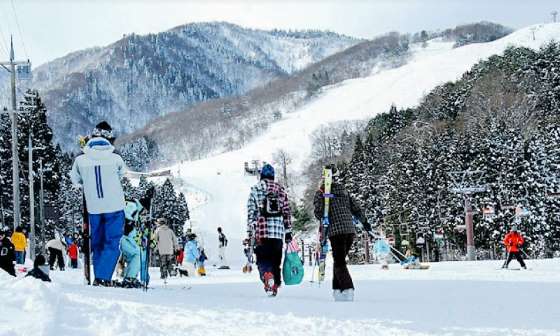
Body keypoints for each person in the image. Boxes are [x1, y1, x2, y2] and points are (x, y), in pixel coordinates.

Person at [70, 121, 126, 286]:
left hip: (93, 207)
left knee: (97, 241)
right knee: (112, 241)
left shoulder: (81, 160)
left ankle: (99, 275)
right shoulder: (116, 158)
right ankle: (102, 277)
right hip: (115, 206)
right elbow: (122, 174)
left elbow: (75, 180)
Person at [313, 164, 371, 302]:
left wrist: (320, 200)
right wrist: (365, 223)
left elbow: (319, 213)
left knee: (339, 261)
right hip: (350, 230)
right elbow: (356, 208)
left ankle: (348, 288)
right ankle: (337, 290)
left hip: (336, 231)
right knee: (339, 261)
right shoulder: (344, 191)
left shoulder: (321, 192)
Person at [247, 163, 292, 296]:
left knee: (262, 259)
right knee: (275, 261)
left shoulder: (255, 189)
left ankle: (267, 276)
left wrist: (251, 233)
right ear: (273, 176)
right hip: (278, 233)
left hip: (262, 232)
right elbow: (287, 211)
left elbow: (251, 213)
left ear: (261, 176)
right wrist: (288, 231)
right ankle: (275, 286)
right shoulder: (280, 190)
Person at [119, 222, 142, 288]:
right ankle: (130, 278)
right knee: (136, 255)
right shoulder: (130, 216)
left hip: (126, 238)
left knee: (132, 258)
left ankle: (129, 277)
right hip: (125, 239)